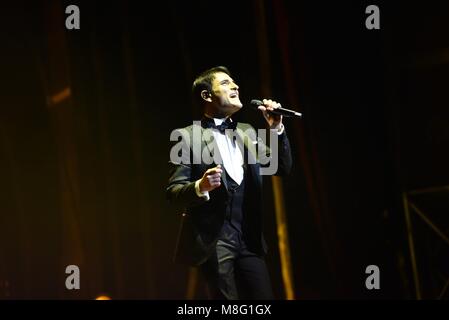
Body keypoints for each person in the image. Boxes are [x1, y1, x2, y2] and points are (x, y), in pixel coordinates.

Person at [167, 66, 292, 299]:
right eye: (225, 83)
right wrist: (200, 187)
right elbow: (173, 191)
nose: (235, 86)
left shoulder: (247, 132)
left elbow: (281, 167)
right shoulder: (187, 136)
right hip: (215, 240)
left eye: (234, 82)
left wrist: (276, 129)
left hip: (249, 239)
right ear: (207, 96)